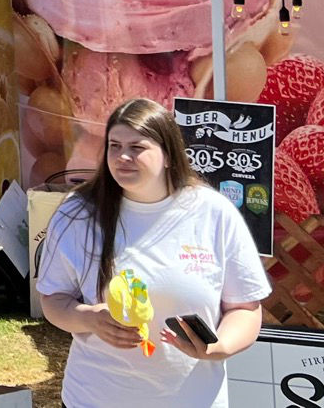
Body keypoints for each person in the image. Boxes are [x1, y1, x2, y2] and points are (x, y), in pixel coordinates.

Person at [36, 98, 271, 408]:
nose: (122, 157)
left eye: (137, 148)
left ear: (169, 156)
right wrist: (90, 318)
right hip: (93, 399)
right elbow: (53, 300)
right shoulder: (78, 213)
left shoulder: (213, 212)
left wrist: (219, 347)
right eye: (114, 145)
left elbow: (246, 309)